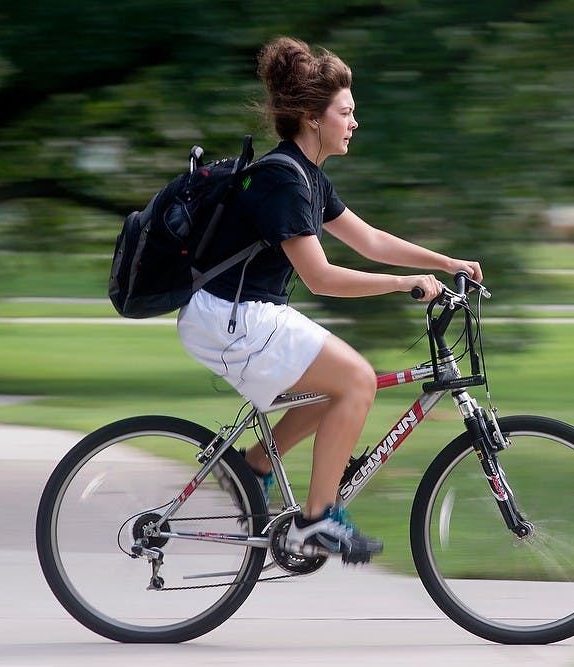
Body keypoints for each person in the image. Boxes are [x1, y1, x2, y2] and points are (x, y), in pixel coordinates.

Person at [177, 36, 481, 564]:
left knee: (331, 390)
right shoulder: (281, 180)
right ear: (313, 119)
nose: (354, 123)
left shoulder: (308, 178)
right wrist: (398, 285)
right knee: (357, 379)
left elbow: (370, 241)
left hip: (244, 313)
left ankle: (252, 468)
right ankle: (316, 522)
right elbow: (319, 278)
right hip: (229, 316)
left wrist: (443, 262)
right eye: (346, 112)